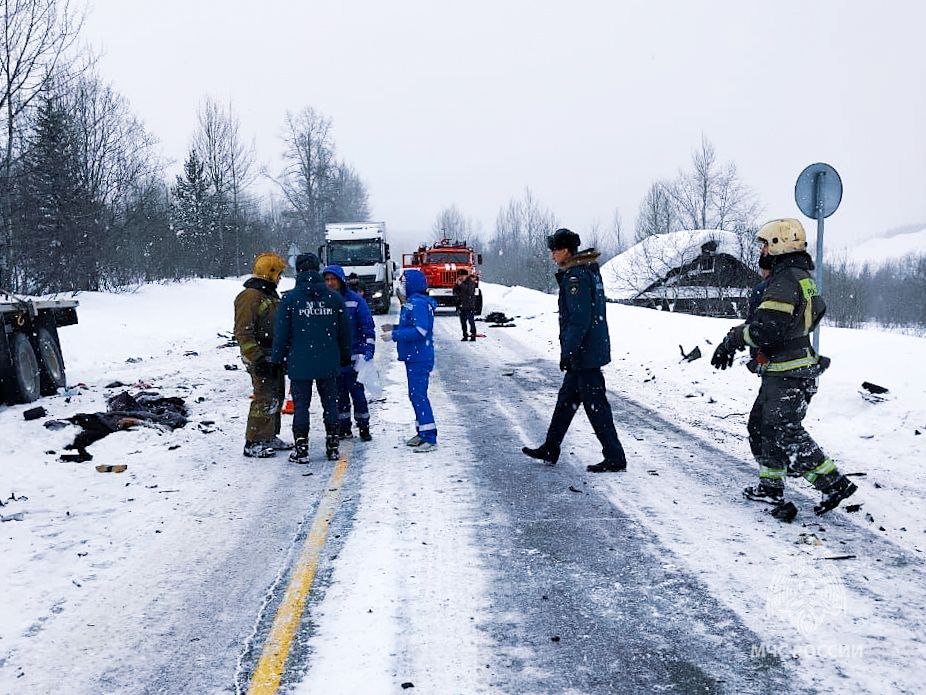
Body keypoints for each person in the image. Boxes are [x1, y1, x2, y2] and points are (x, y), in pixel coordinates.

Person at [710, 219, 857, 516]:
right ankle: (770, 487)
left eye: (765, 244)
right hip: (786, 369)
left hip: (789, 372)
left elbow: (767, 328)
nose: (761, 250)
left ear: (779, 244)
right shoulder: (800, 277)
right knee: (762, 426)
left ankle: (833, 483)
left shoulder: (785, 281)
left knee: (782, 430)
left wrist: (735, 338)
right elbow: (812, 314)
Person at [522, 228, 628, 472]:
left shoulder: (575, 278)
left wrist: (568, 351)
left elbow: (579, 319)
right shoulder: (587, 271)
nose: (552, 256)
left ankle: (615, 457)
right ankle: (551, 447)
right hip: (587, 351)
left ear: (566, 251)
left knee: (596, 407)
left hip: (585, 354)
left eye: (554, 250)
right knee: (565, 402)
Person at [271, 253, 352, 463]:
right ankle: (333, 445)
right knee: (330, 405)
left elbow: (281, 334)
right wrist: (344, 356)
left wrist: (277, 358)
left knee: (301, 406)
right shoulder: (334, 298)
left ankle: (301, 447)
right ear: (318, 269)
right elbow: (344, 333)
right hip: (328, 360)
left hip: (300, 362)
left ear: (298, 270)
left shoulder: (289, 300)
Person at [234, 252, 291, 458]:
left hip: (272, 354)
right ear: (270, 272)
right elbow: (243, 331)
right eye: (279, 273)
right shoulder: (250, 296)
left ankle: (269, 435)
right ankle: (253, 441)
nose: (280, 278)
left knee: (276, 395)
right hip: (259, 355)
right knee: (264, 398)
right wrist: (257, 359)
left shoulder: (269, 294)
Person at [380, 268, 438, 452]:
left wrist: (394, 335)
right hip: (414, 357)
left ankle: (430, 437)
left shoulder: (418, 303)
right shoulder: (413, 302)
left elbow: (421, 330)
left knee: (419, 396)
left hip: (419, 357)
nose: (401, 287)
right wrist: (395, 326)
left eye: (404, 283)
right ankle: (422, 432)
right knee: (415, 395)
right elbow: (412, 325)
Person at [323, 264, 376, 441]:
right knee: (339, 396)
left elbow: (367, 325)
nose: (330, 283)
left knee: (358, 395)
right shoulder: (323, 301)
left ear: (340, 280)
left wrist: (368, 349)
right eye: (327, 280)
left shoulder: (355, 300)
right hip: (334, 359)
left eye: (333, 279)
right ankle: (344, 428)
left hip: (354, 359)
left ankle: (364, 427)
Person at [452, 269, 478, 341]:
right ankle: (465, 335)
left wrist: (461, 284)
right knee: (463, 322)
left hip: (469, 306)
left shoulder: (470, 282)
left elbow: (469, 291)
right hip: (461, 306)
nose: (461, 277)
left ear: (466, 276)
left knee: (471, 321)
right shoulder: (458, 283)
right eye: (460, 276)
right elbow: (455, 292)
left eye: (463, 276)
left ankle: (473, 335)